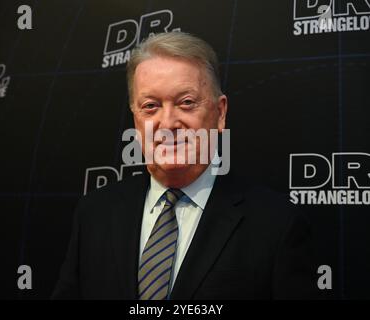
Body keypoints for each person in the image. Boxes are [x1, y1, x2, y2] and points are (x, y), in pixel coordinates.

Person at [52, 32, 316, 300]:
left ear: (220, 112)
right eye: (151, 106)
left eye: (186, 103)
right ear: (136, 119)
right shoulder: (94, 213)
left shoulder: (276, 224)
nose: (167, 124)